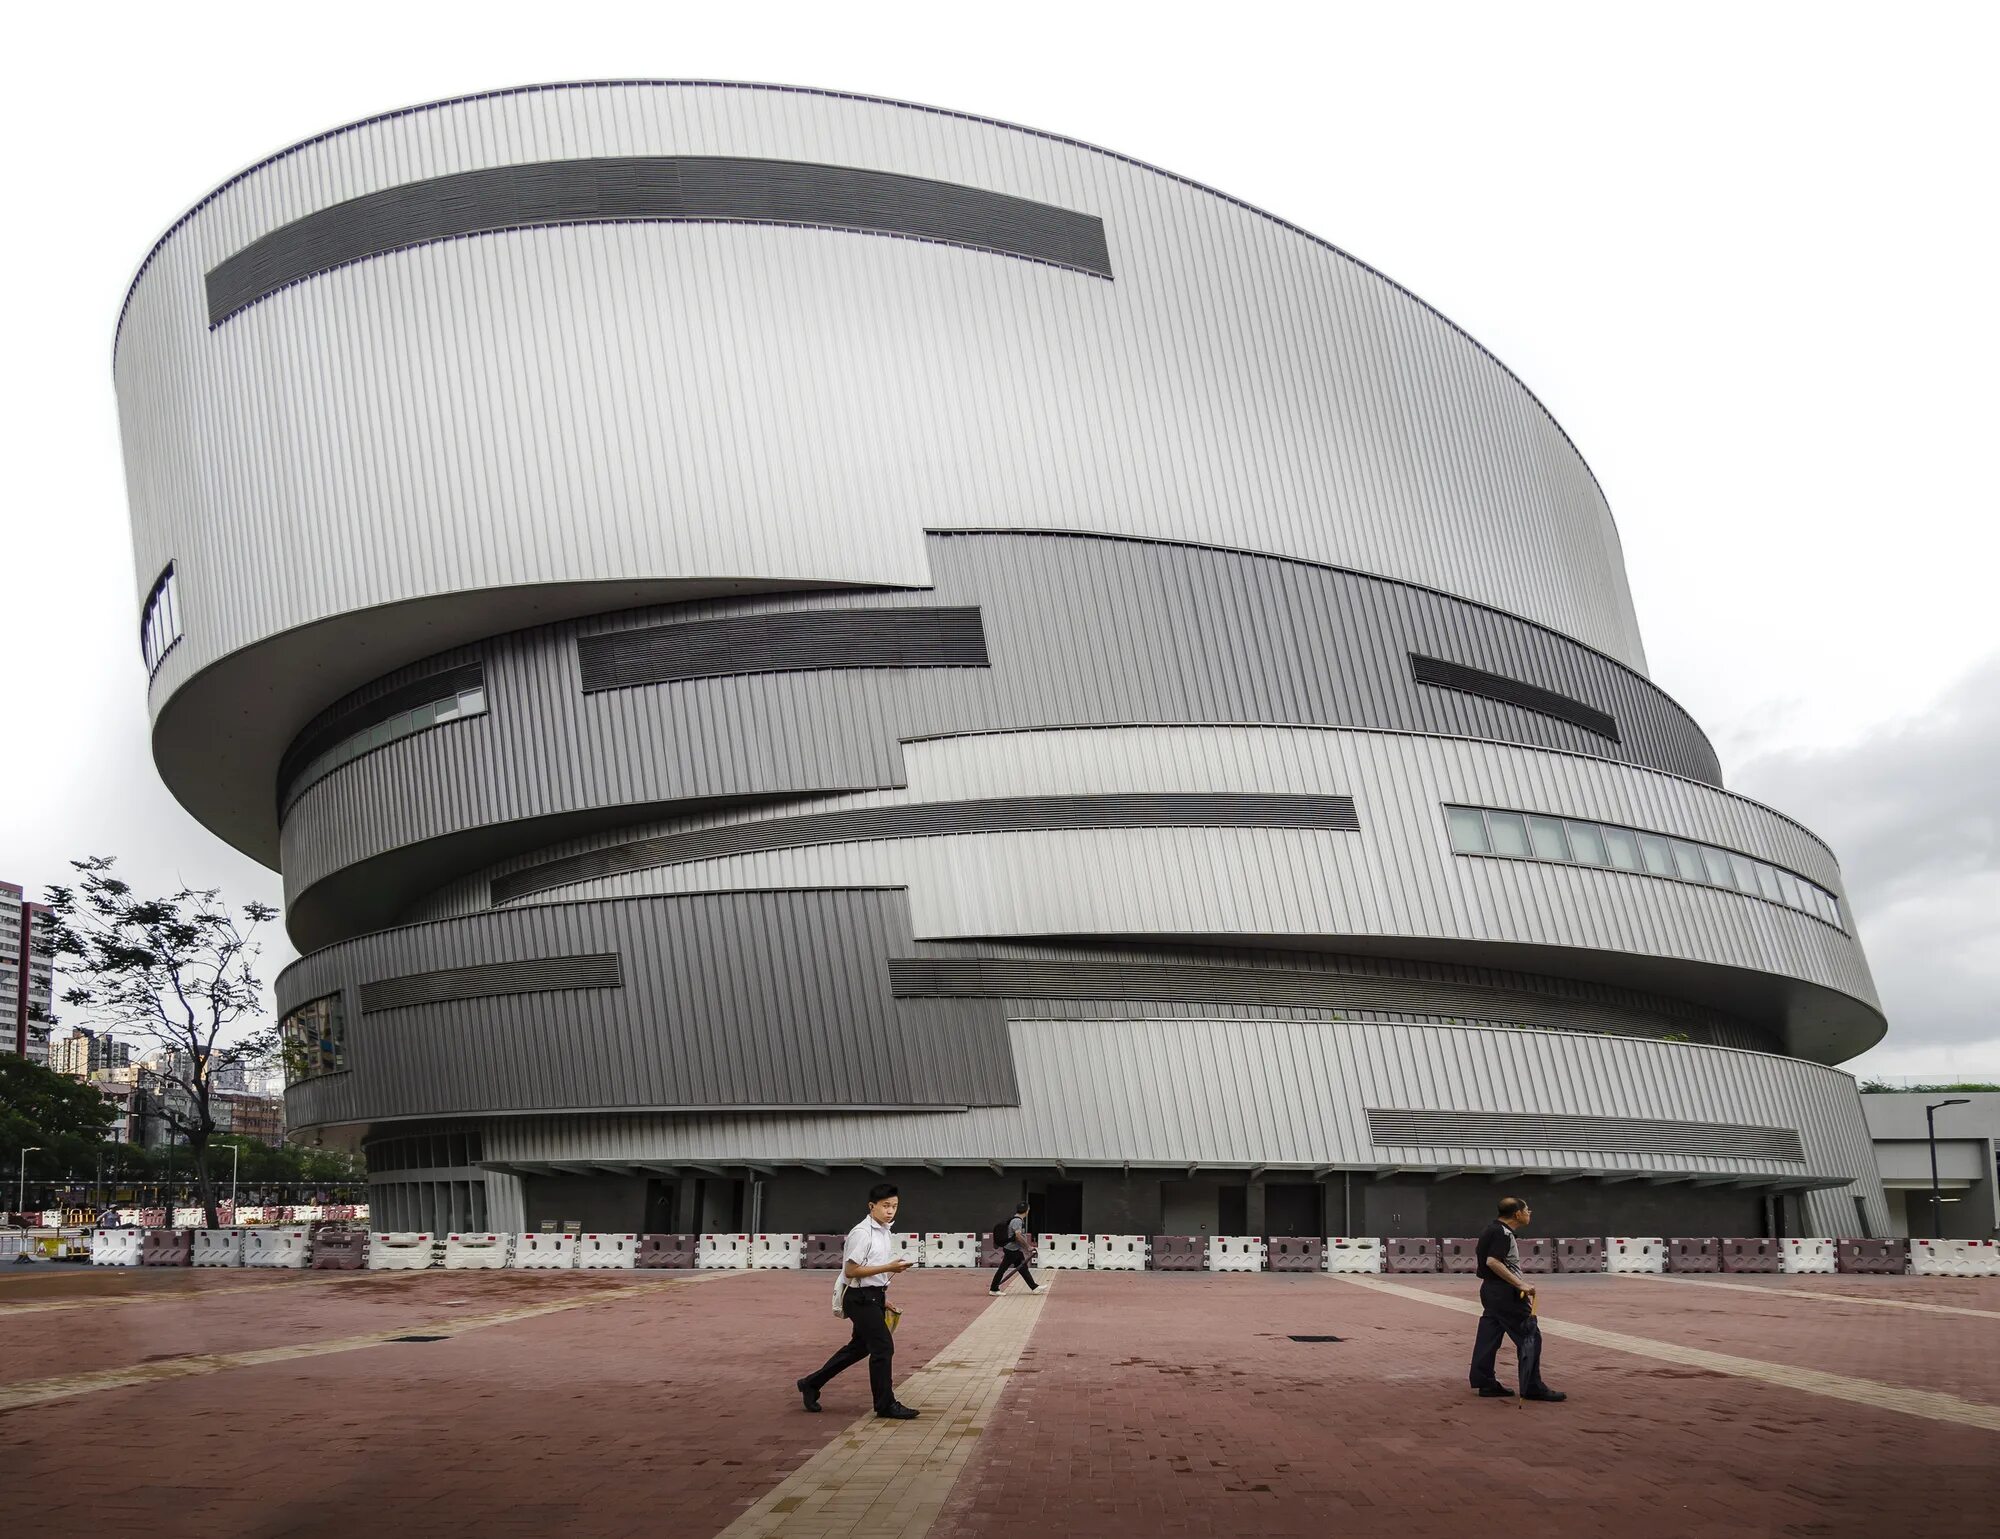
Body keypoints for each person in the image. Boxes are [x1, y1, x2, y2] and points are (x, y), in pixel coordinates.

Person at [796, 1183, 920, 1420]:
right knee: (883, 1347)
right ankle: (885, 1404)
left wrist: (884, 1298)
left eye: (894, 1206)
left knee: (860, 1347)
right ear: (871, 1206)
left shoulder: (884, 1232)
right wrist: (891, 1267)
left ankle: (811, 1383)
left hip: (872, 1296)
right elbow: (851, 1271)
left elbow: (871, 1271)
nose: (890, 1211)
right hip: (859, 1299)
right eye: (885, 1206)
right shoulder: (862, 1233)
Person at [1469, 1196, 1566, 1402]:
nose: (1530, 1213)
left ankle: (1484, 1381)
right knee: (1530, 1335)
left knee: (1489, 1334)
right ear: (1517, 1214)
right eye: (1527, 1209)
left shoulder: (1490, 1229)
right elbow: (1493, 1261)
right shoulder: (1503, 1233)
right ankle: (1532, 1386)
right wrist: (1520, 1284)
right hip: (1506, 1293)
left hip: (1490, 1290)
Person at [989, 1200, 1039, 1294]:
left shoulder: (1015, 1219)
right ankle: (993, 1289)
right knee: (1003, 1269)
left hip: (1014, 1249)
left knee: (1023, 1268)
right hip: (1012, 1250)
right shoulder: (1017, 1221)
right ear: (1027, 1210)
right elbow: (1018, 1236)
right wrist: (1028, 1247)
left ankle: (1034, 1287)